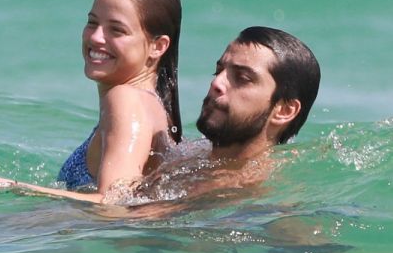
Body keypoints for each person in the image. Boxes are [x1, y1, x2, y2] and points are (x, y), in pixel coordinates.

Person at [0, 0, 183, 203]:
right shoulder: (152, 105)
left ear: (158, 46)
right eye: (92, 22)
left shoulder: (125, 100)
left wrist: (5, 186)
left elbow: (113, 205)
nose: (96, 37)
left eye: (116, 30)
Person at [134, 25, 321, 201]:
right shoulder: (191, 156)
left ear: (284, 111)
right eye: (218, 71)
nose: (216, 84)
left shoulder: (249, 195)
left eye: (242, 78)